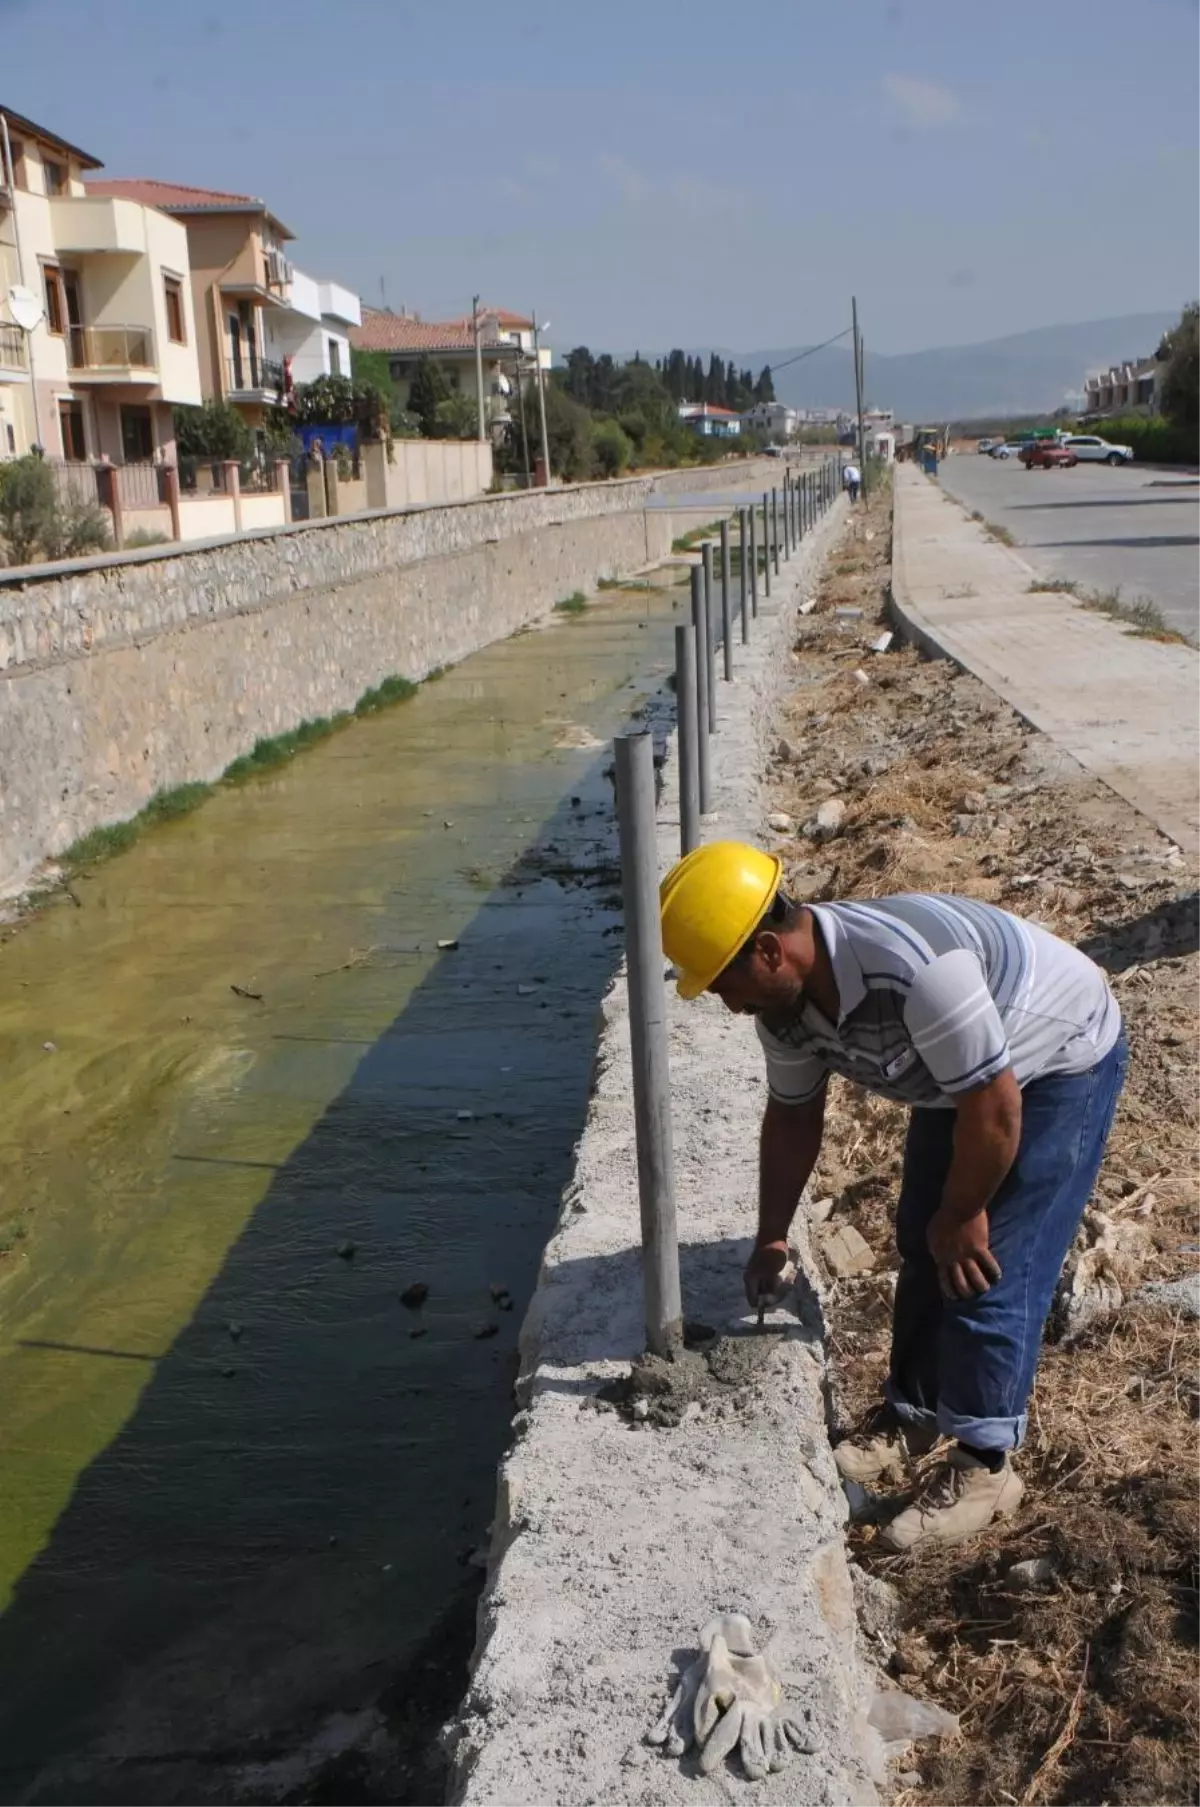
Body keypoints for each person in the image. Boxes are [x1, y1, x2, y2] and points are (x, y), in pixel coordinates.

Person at [659, 842, 1126, 1553]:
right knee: (921, 1234)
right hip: (962, 1072)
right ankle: (912, 1415)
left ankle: (985, 1464)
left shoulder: (913, 974)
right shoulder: (784, 1011)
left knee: (987, 1260)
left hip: (1054, 1058)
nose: (727, 1006)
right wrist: (772, 1235)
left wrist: (966, 1211)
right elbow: (792, 1117)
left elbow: (997, 1111)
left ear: (767, 950)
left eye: (724, 984)